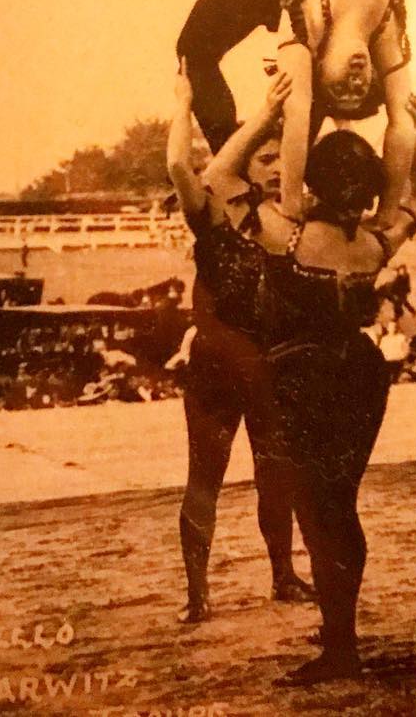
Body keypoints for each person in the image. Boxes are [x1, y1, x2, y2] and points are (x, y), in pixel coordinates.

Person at [210, 114, 416, 685]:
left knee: (315, 511)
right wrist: (406, 127)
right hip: (360, 372)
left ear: (313, 180)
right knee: (341, 505)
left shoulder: (284, 235)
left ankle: (341, 647)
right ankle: (340, 628)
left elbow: (218, 174)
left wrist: (268, 113)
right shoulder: (377, 242)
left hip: (299, 377)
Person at [166, 61, 314, 623]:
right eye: (266, 159)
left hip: (270, 364)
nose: (277, 168)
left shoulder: (286, 225)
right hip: (217, 366)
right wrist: (183, 103)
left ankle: (283, 576)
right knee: (204, 479)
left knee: (277, 474)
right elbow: (178, 164)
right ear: (244, 164)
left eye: (281, 159)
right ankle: (197, 594)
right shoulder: (208, 213)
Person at [177, 0, 416, 223]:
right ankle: (254, 170)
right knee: (309, 101)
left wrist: (290, 206)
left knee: (192, 53)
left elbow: (298, 115)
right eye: (359, 88)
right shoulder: (387, 36)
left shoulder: (308, 26)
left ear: (319, 66)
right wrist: (386, 214)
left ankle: (239, 167)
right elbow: (402, 126)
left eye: (340, 86)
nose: (354, 79)